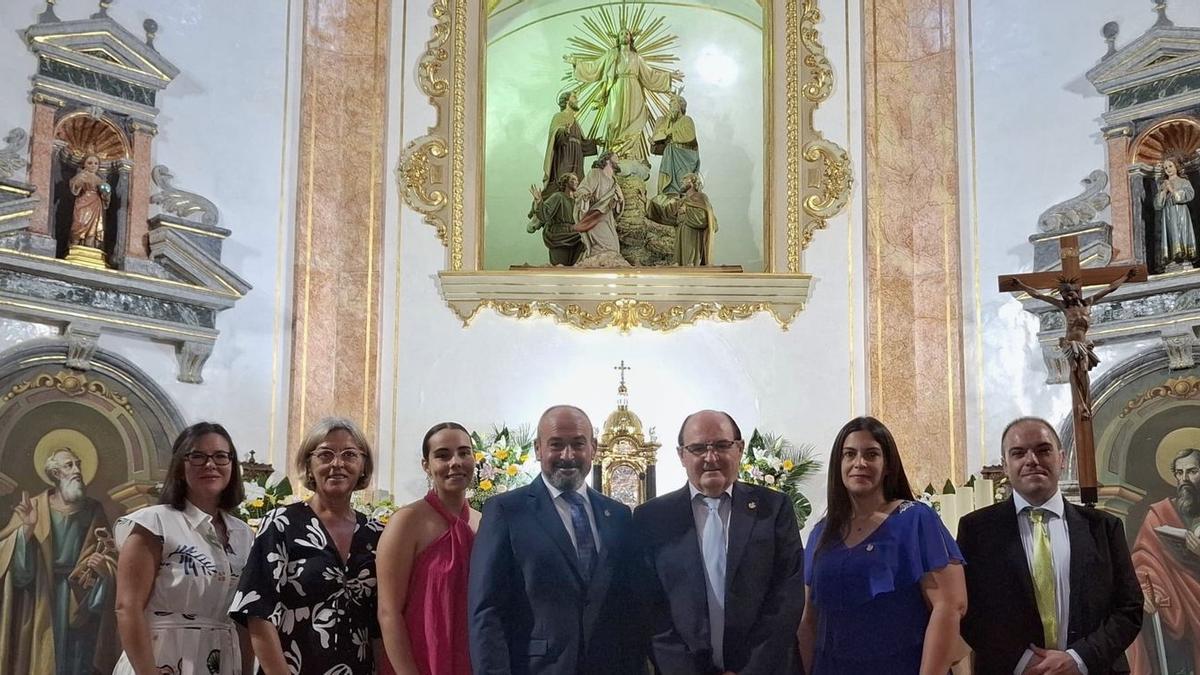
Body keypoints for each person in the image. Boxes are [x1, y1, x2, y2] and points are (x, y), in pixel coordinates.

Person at [958, 417, 1143, 675]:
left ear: (1062, 458)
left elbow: (1129, 608)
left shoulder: (1103, 527)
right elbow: (969, 611)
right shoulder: (976, 530)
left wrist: (1078, 659)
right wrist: (1024, 662)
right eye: (1018, 453)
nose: (1031, 460)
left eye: (1043, 450)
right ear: (1005, 465)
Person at [467, 405, 641, 674]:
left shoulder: (617, 515)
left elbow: (629, 608)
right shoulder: (506, 511)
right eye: (556, 444)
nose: (568, 455)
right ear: (538, 449)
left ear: (593, 448)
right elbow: (487, 611)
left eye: (578, 444)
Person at [634, 409, 805, 674]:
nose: (710, 457)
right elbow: (649, 611)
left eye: (722, 446)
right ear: (681, 455)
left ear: (739, 449)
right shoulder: (652, 518)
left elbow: (786, 599)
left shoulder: (773, 509)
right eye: (698, 448)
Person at [797, 416, 966, 674]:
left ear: (887, 465)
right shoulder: (822, 533)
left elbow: (949, 606)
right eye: (849, 454)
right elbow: (809, 619)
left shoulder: (915, 519)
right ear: (838, 464)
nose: (859, 463)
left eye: (871, 454)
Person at [230, 417, 385, 674]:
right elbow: (257, 612)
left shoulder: (376, 533)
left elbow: (381, 622)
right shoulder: (282, 524)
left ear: (363, 465)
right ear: (309, 465)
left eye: (349, 454)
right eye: (325, 454)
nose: (337, 463)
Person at [113, 422, 255, 675]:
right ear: (180, 466)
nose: (210, 464)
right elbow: (128, 607)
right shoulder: (153, 524)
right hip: (161, 658)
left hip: (223, 660)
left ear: (232, 466)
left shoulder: (244, 535)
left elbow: (246, 616)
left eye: (221, 456)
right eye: (197, 456)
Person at [0, 446, 118, 675]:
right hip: (42, 598)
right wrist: (26, 530)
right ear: (55, 474)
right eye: (69, 465)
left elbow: (110, 552)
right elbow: (12, 564)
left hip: (81, 597)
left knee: (78, 659)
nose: (77, 470)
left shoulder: (94, 510)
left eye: (78, 464)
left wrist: (104, 568)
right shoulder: (33, 507)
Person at [378, 422, 481, 675]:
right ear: (426, 465)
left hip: (472, 661)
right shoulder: (407, 521)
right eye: (443, 455)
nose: (455, 462)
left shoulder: (483, 522)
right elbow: (388, 612)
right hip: (420, 660)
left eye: (463, 452)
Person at [1005, 271, 1136, 420]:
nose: (1067, 297)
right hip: (1070, 344)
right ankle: (1082, 405)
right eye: (1064, 294)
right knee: (1075, 370)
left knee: (1084, 372)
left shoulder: (1088, 302)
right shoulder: (1064, 307)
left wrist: (1126, 277)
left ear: (1076, 292)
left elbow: (1110, 288)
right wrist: (1020, 285)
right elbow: (1038, 295)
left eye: (1070, 293)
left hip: (1083, 344)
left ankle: (1086, 403)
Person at [1128, 447, 1200, 673]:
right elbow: (1143, 558)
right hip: (1175, 603)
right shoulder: (1160, 514)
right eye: (1179, 473)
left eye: (1192, 471)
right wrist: (1147, 590)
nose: (1184, 479)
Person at [566, 29, 682, 162]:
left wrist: (669, 76)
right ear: (618, 38)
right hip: (617, 89)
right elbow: (595, 67)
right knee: (614, 121)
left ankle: (630, 156)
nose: (624, 35)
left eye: (626, 33)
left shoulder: (636, 57)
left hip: (634, 91)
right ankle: (613, 156)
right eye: (621, 33)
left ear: (631, 37)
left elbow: (649, 75)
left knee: (634, 122)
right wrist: (577, 63)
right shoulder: (611, 54)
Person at [647, 173, 718, 266]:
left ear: (692, 182)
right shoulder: (682, 201)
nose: (681, 182)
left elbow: (706, 218)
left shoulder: (701, 197)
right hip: (680, 238)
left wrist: (687, 211)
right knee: (680, 264)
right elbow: (666, 213)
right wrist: (646, 202)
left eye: (685, 180)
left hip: (693, 239)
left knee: (691, 265)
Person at [574, 152, 626, 266]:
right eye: (616, 157)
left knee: (614, 248)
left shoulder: (614, 181)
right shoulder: (595, 174)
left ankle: (593, 265)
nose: (618, 160)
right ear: (607, 160)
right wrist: (585, 196)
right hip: (595, 217)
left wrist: (620, 201)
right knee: (608, 247)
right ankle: (593, 266)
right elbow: (582, 190)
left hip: (608, 219)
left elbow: (616, 207)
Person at [540, 92, 596, 196]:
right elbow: (555, 135)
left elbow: (581, 142)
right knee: (563, 182)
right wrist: (564, 131)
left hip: (577, 159)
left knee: (578, 185)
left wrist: (595, 142)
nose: (577, 100)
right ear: (566, 101)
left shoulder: (575, 122)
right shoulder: (559, 116)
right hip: (564, 156)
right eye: (574, 97)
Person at [528, 173, 584, 266]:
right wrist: (538, 201)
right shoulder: (558, 197)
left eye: (577, 180)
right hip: (560, 237)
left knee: (575, 267)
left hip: (575, 236)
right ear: (566, 183)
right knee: (560, 268)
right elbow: (545, 214)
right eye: (573, 180)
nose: (576, 182)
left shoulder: (577, 201)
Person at [651, 94, 700, 196]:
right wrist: (655, 143)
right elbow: (659, 147)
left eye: (673, 103)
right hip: (669, 158)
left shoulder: (686, 120)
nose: (670, 107)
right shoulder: (668, 123)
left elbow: (689, 136)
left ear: (680, 106)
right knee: (665, 188)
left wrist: (668, 133)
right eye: (669, 105)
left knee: (683, 184)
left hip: (683, 159)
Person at [1153, 158, 1197, 269]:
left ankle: (1184, 256)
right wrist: (1164, 191)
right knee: (1170, 233)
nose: (1168, 169)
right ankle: (1171, 258)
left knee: (1181, 232)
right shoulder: (1163, 184)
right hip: (1168, 213)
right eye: (1165, 168)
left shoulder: (1183, 181)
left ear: (1176, 167)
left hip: (1181, 212)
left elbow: (1190, 194)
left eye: (1170, 166)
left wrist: (1172, 190)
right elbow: (1157, 204)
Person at [69, 153, 110, 249]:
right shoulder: (81, 176)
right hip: (83, 201)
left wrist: (106, 193)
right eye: (90, 163)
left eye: (96, 163)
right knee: (79, 223)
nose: (93, 165)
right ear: (84, 164)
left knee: (93, 226)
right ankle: (74, 245)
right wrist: (80, 181)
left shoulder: (100, 180)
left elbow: (106, 198)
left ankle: (89, 247)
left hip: (96, 204)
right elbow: (74, 188)